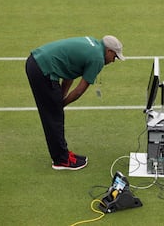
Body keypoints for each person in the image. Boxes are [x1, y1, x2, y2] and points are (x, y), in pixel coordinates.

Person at [25, 35, 125, 170]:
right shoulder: (97, 59)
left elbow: (69, 75)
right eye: (115, 57)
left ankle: (63, 154)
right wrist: (60, 105)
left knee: (55, 113)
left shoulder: (93, 45)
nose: (113, 61)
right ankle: (61, 160)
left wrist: (60, 100)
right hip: (42, 70)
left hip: (36, 62)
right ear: (109, 51)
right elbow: (79, 91)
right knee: (53, 117)